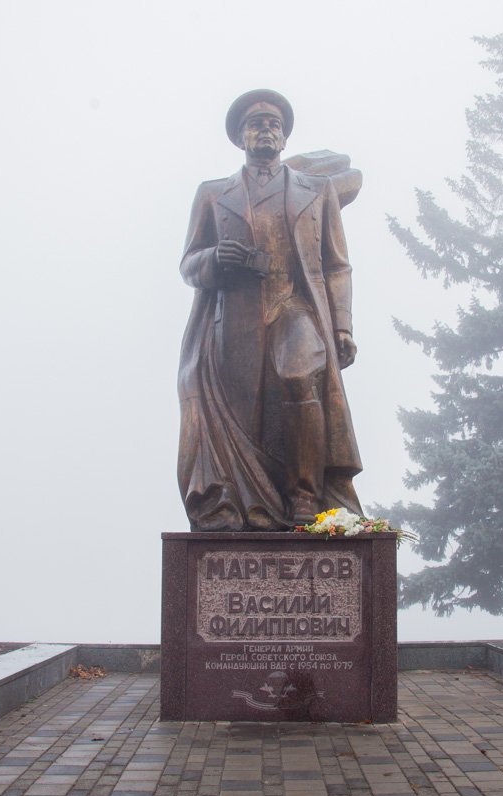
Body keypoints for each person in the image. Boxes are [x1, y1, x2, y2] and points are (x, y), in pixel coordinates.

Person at [177, 89, 363, 531]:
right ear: (241, 137)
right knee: (247, 417)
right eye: (256, 124)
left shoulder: (317, 190)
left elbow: (337, 265)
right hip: (235, 320)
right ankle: (251, 502)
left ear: (284, 137)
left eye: (274, 124)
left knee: (301, 374)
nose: (266, 130)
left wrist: (342, 326)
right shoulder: (212, 193)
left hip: (294, 306)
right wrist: (215, 257)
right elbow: (189, 264)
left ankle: (305, 494)